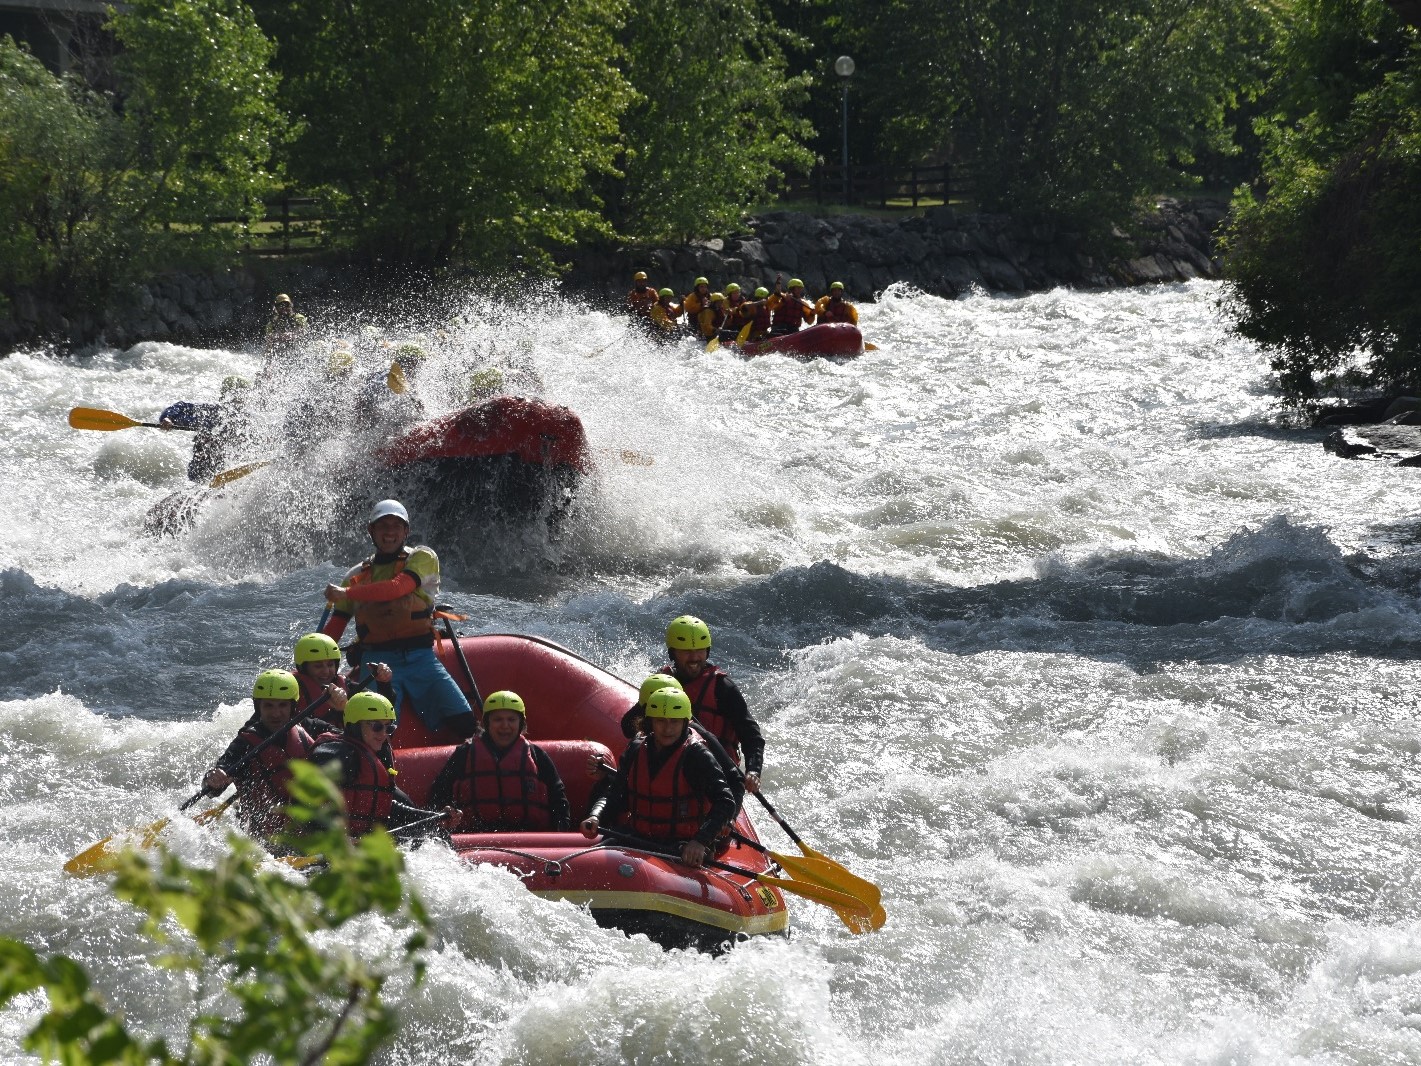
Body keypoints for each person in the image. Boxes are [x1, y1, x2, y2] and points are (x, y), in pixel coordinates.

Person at [321, 499, 479, 738]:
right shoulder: (355, 576)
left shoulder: (423, 557)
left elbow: (398, 588)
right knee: (369, 730)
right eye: (383, 526)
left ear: (406, 531)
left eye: (396, 526)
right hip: (375, 659)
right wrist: (312, 662)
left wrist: (347, 593)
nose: (390, 532)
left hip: (421, 657)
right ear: (371, 531)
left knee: (465, 721)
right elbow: (336, 626)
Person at [580, 687, 737, 867]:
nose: (667, 728)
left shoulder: (696, 755)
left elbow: (726, 801)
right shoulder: (636, 749)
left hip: (681, 846)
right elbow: (615, 794)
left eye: (674, 722)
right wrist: (596, 816)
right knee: (593, 863)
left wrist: (700, 841)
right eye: (660, 721)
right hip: (638, 838)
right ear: (650, 722)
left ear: (685, 722)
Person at [308, 692, 458, 838]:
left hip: (359, 845)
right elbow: (307, 805)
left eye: (389, 727)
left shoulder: (377, 756)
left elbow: (384, 805)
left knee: (440, 837)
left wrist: (436, 818)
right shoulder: (334, 755)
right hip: (323, 846)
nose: (383, 734)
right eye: (377, 727)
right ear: (355, 725)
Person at [429, 690, 571, 831]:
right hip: (476, 835)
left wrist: (561, 831)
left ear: (521, 723)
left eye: (511, 719)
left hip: (528, 836)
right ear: (487, 723)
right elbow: (438, 793)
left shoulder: (537, 755)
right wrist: (445, 812)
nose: (505, 726)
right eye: (498, 719)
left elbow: (558, 798)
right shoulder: (464, 754)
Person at [201, 669, 317, 838]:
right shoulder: (245, 744)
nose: (276, 713)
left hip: (305, 831)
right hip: (265, 841)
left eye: (282, 705)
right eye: (268, 705)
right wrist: (212, 778)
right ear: (258, 707)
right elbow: (213, 789)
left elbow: (346, 738)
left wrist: (342, 705)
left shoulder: (308, 726)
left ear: (293, 706)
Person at [606, 673, 746, 810]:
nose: (667, 726)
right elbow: (622, 788)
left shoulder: (698, 744)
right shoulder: (639, 743)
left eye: (673, 719)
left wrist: (729, 818)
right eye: (658, 717)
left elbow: (735, 779)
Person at [661, 615, 764, 791]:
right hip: (673, 773)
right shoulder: (662, 684)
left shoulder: (723, 688)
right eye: (686, 651)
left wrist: (753, 770)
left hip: (718, 778)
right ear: (673, 653)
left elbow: (751, 736)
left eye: (700, 651)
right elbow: (632, 726)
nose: (694, 658)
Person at [291, 632, 395, 731]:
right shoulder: (291, 690)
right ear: (303, 668)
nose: (326, 671)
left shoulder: (347, 685)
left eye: (330, 665)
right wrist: (342, 711)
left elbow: (383, 708)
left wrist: (383, 683)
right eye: (318, 666)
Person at [159, 375, 250, 483]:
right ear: (226, 395)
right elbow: (181, 407)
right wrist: (168, 418)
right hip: (201, 470)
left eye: (243, 395)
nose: (240, 399)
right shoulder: (210, 412)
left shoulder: (247, 421)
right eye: (236, 395)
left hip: (228, 467)